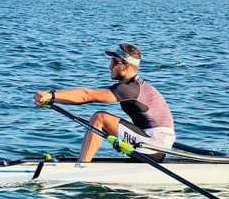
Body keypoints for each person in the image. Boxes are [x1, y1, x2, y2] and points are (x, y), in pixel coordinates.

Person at [34, 43, 175, 162]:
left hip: (154, 146)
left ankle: (82, 166)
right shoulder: (132, 85)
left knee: (99, 118)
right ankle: (83, 161)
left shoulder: (130, 89)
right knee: (102, 118)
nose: (110, 66)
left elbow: (86, 96)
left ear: (125, 66)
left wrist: (51, 95)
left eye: (114, 62)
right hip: (151, 141)